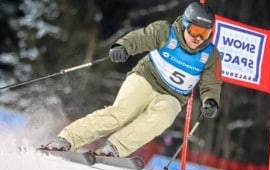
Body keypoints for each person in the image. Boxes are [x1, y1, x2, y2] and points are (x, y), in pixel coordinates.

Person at [43, 2, 222, 158]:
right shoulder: (165, 32)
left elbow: (211, 83)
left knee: (162, 118)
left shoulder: (210, 55)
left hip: (173, 96)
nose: (198, 38)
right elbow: (141, 37)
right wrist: (123, 46)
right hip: (146, 78)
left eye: (205, 33)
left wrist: (211, 100)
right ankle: (66, 139)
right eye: (195, 31)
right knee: (121, 113)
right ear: (185, 24)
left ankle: (113, 148)